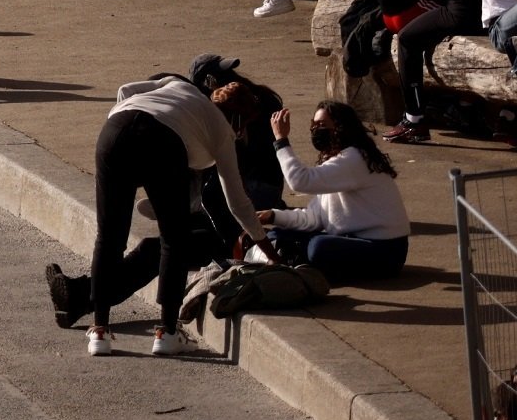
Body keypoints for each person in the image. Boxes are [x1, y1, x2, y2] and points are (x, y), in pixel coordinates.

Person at [47, 55, 276, 354]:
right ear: (238, 119)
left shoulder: (178, 87)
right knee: (173, 240)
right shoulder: (222, 129)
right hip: (162, 145)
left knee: (110, 234)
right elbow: (238, 203)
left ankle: (99, 332)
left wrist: (127, 136)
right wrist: (269, 249)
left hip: (115, 130)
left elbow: (125, 90)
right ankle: (167, 333)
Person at [263, 101, 412, 285]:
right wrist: (273, 216)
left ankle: (299, 266)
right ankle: (296, 264)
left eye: (323, 125)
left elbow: (299, 181)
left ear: (341, 128)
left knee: (319, 247)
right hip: (350, 242)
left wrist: (281, 140)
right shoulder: (336, 162)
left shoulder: (355, 158)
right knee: (276, 235)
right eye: (314, 125)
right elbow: (315, 218)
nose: (317, 130)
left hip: (385, 251)